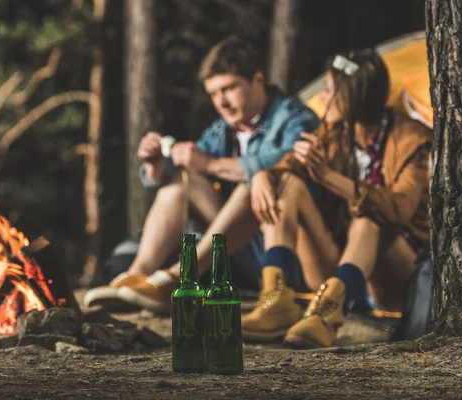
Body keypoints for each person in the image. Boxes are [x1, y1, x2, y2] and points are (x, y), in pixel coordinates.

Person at [83, 36, 319, 311]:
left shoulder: (294, 117)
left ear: (257, 79)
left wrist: (210, 165)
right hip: (240, 250)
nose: (222, 102)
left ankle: (178, 279)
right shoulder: (223, 129)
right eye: (214, 94)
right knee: (181, 183)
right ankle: (137, 276)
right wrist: (156, 163)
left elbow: (288, 165)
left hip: (288, 248)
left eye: (229, 89)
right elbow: (185, 169)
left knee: (255, 183)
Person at [241, 49, 432, 348]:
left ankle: (332, 311)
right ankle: (276, 298)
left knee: (368, 218)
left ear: (353, 95)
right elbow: (289, 166)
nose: (323, 98)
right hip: (340, 268)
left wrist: (329, 177)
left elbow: (399, 209)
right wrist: (263, 177)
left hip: (394, 276)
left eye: (329, 91)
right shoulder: (334, 131)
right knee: (290, 187)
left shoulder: (412, 138)